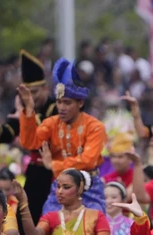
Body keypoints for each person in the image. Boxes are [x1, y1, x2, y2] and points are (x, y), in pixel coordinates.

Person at [0, 50, 57, 235]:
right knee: (28, 212)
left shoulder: (56, 108)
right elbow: (9, 131)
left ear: (46, 89)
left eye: (36, 92)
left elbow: (43, 135)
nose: (32, 97)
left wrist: (28, 112)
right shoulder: (23, 109)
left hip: (56, 170)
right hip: (35, 171)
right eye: (28, 93)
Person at [18, 58, 108, 214]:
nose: (61, 108)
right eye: (59, 102)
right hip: (59, 187)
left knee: (95, 222)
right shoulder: (51, 123)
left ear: (80, 103)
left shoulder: (95, 127)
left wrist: (54, 165)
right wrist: (29, 111)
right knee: (47, 221)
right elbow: (30, 143)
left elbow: (88, 160)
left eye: (67, 102)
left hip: (88, 187)